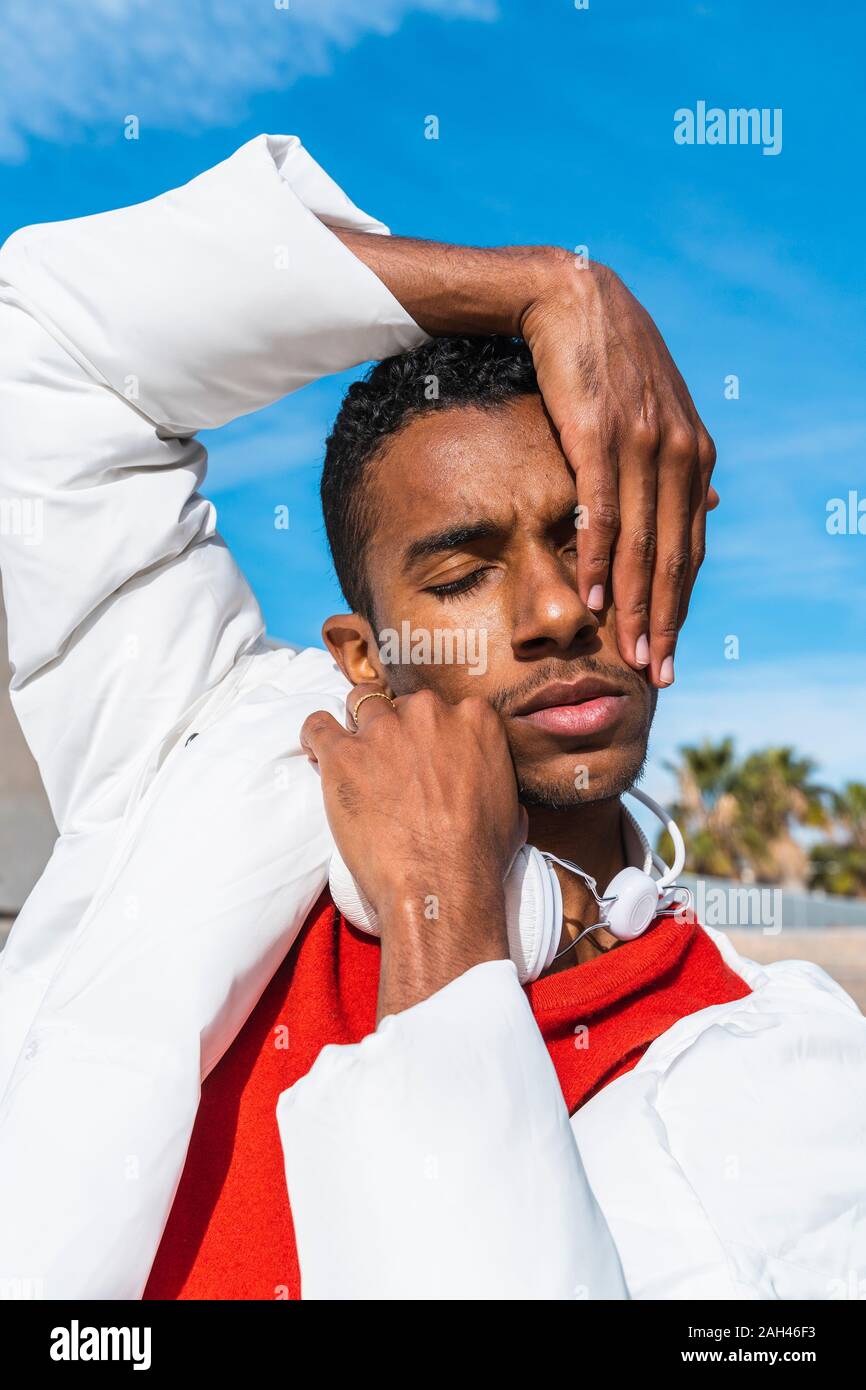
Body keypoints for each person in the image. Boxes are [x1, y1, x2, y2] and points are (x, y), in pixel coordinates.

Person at [0, 135, 862, 1302]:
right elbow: (44, 345)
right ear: (362, 658)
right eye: (461, 577)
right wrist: (549, 289)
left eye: (588, 538)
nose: (558, 609)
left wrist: (444, 944)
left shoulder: (792, 1066)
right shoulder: (206, 752)